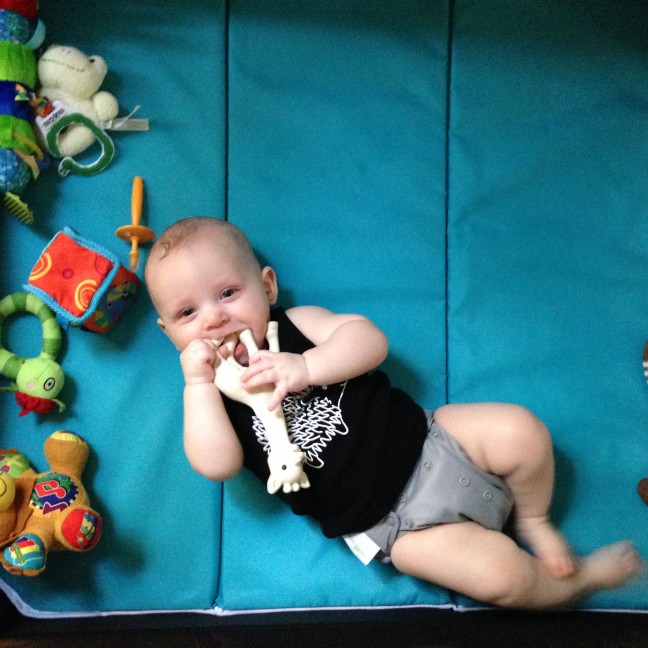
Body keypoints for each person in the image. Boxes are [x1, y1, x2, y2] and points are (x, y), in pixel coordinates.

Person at [145, 216, 642, 609]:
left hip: (435, 439)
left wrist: (307, 366)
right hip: (396, 526)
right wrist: (197, 385)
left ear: (267, 287)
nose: (214, 318)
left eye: (228, 293)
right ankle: (581, 581)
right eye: (187, 314)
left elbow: (369, 340)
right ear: (169, 333)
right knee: (503, 579)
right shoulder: (208, 397)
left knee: (522, 431)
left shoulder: (296, 325)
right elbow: (218, 464)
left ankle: (534, 518)